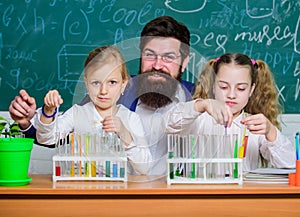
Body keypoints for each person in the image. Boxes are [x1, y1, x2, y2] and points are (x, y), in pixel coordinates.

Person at [9, 16, 194, 176]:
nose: (157, 65)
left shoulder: (195, 99)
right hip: (117, 192)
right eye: (150, 55)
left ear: (184, 62)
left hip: (174, 196)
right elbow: (59, 134)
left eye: (168, 57)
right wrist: (27, 122)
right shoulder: (112, 89)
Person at [166, 53, 295, 172]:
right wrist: (202, 104)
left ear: (251, 90)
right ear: (213, 86)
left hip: (242, 195)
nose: (231, 95)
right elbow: (169, 124)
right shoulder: (198, 119)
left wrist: (271, 132)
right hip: (201, 194)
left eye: (241, 88)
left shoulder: (255, 126)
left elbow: (290, 164)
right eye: (223, 87)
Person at [33, 45, 152, 175]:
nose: (103, 91)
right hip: (82, 189)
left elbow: (145, 168)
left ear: (123, 84)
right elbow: (46, 139)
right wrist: (48, 112)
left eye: (112, 82)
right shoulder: (76, 113)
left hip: (118, 191)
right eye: (96, 83)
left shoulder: (130, 119)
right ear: (86, 84)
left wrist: (125, 134)